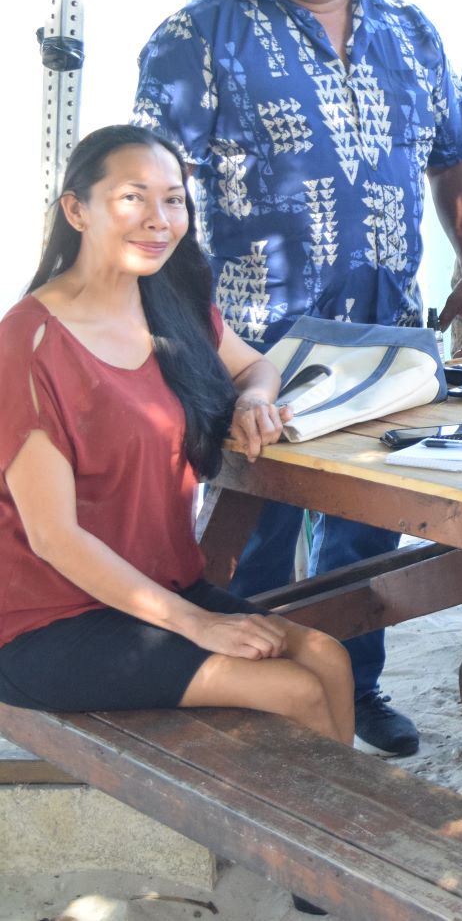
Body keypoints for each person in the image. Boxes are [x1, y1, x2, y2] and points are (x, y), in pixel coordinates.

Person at [133, 0, 462, 758]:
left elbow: (456, 156)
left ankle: (354, 688)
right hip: (256, 342)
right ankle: (259, 706)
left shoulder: (409, 30)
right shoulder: (198, 38)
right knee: (255, 526)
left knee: (367, 525)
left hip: (387, 332)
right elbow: (149, 190)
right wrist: (172, 325)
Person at [0, 125, 354, 746]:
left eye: (173, 200)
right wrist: (198, 624)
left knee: (328, 657)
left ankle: (330, 813)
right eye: (132, 198)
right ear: (77, 211)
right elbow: (55, 538)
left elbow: (256, 367)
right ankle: (300, 815)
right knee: (290, 687)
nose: (158, 220)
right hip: (46, 618)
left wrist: (253, 400)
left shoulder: (172, 307)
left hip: (160, 587)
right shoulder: (28, 343)